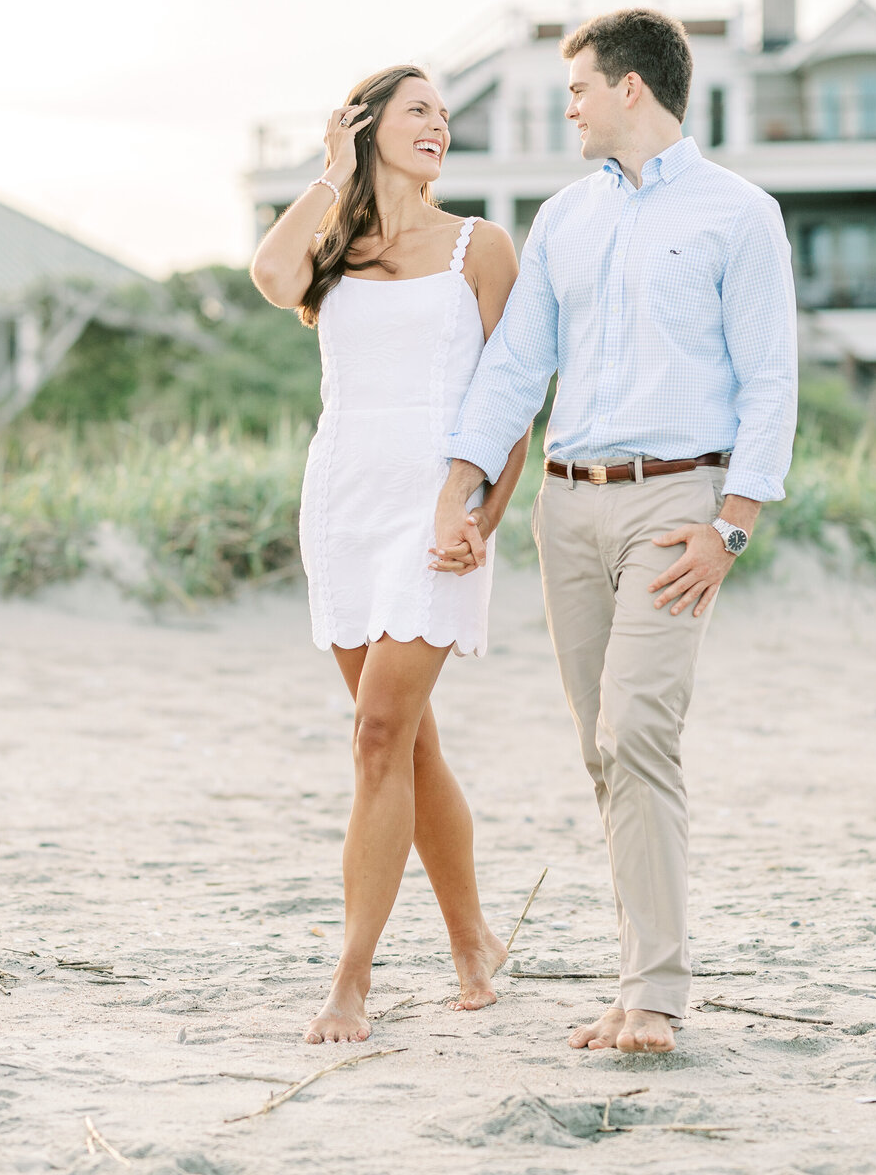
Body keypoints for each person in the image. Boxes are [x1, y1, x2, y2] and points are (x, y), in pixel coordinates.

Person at [432, 9, 797, 1055]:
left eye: (580, 88)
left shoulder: (740, 214)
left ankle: (658, 997)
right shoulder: (563, 219)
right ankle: (637, 981)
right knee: (604, 753)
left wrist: (732, 528)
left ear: (631, 87)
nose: (570, 106)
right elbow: (514, 370)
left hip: (674, 510)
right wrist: (461, 490)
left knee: (634, 731)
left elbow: (771, 377)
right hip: (565, 509)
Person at [252, 63, 530, 1046]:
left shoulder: (482, 246)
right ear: (368, 126)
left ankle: (351, 980)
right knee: (407, 739)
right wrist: (331, 173)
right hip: (343, 504)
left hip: (436, 511)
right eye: (420, 111)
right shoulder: (333, 242)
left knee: (376, 736)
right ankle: (471, 942)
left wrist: (483, 519)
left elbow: (512, 400)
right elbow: (271, 277)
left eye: (446, 117)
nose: (439, 127)